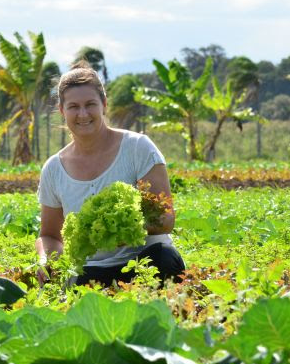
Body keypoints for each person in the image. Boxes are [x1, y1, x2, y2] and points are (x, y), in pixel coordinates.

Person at [35, 62, 185, 286]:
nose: (83, 113)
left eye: (90, 104)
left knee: (164, 258)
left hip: (145, 261)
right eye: (74, 106)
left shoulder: (138, 147)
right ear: (62, 111)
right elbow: (50, 236)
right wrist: (46, 260)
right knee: (81, 289)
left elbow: (166, 218)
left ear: (104, 105)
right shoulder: (54, 168)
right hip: (93, 270)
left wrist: (117, 231)